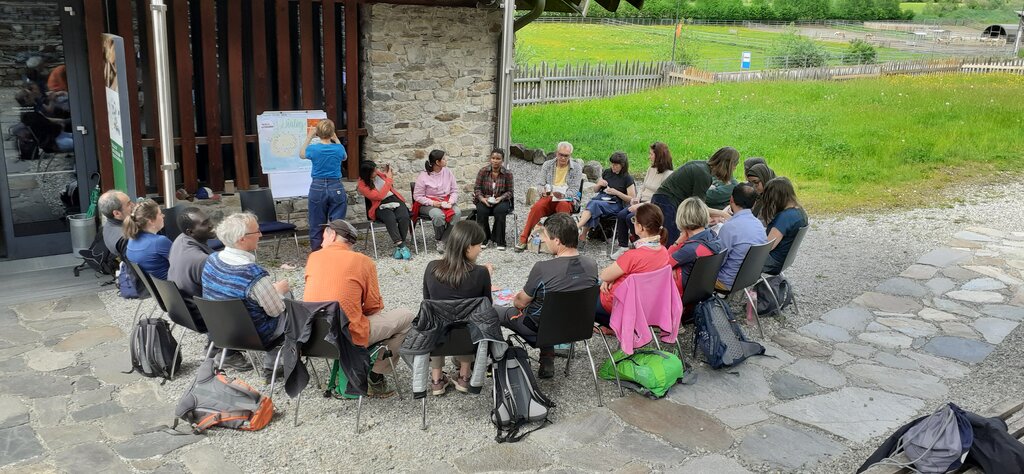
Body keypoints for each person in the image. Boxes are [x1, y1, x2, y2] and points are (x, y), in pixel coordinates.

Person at [303, 219, 414, 398]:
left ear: (332, 235)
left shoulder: (313, 258)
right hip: (348, 337)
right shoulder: (362, 261)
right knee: (407, 317)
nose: (321, 237)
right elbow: (373, 307)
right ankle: (375, 376)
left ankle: (353, 372)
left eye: (324, 233)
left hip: (313, 338)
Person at [497, 213, 599, 378]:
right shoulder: (592, 265)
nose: (544, 240)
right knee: (552, 309)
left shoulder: (542, 268)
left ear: (557, 241)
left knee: (493, 312)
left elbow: (520, 304)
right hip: (578, 327)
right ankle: (547, 359)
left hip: (540, 330)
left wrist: (515, 298)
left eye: (546, 236)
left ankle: (496, 359)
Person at [201, 213, 291, 381]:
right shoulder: (253, 274)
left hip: (221, 330)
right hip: (254, 336)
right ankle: (274, 365)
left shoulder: (211, 260)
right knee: (289, 302)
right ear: (241, 239)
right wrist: (278, 291)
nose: (261, 234)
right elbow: (276, 311)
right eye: (256, 231)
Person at [422, 221, 493, 395]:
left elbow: (427, 301)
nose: (481, 249)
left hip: (437, 338)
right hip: (467, 338)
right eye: (479, 245)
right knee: (472, 320)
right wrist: (486, 276)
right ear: (468, 247)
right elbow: (486, 307)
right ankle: (464, 376)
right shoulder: (481, 273)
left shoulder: (432, 267)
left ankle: (437, 379)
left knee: (435, 318)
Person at [594, 203, 669, 327]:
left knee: (585, 293)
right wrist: (611, 278)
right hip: (647, 306)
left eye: (634, 220)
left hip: (618, 307)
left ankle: (613, 326)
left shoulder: (633, 256)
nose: (632, 222)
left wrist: (609, 279)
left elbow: (604, 275)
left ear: (640, 227)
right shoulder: (663, 252)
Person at [651, 146, 740, 244]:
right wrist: (723, 214)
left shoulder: (702, 167)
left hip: (663, 200)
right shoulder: (704, 175)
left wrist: (714, 215)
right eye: (734, 166)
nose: (734, 170)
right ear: (728, 165)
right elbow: (698, 208)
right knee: (670, 241)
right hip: (666, 202)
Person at [514, 141, 584, 252]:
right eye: (561, 155)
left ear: (570, 155)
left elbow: (575, 189)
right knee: (537, 207)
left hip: (567, 198)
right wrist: (543, 191)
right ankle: (524, 238)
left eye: (566, 156)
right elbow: (540, 184)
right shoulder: (548, 165)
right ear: (557, 153)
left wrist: (563, 194)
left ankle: (563, 242)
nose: (563, 158)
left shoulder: (576, 168)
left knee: (563, 207)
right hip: (549, 196)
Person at [611, 142, 673, 259]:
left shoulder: (668, 175)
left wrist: (640, 205)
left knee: (631, 218)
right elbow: (643, 187)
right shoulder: (651, 169)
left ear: (658, 156)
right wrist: (636, 198)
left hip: (652, 205)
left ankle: (639, 244)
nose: (649, 157)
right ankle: (623, 246)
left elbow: (659, 198)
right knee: (621, 215)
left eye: (651, 154)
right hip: (641, 201)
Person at [300, 118, 347, 251]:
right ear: (332, 132)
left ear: (318, 133)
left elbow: (302, 154)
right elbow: (344, 156)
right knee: (337, 223)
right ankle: (336, 250)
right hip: (335, 185)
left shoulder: (313, 149)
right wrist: (336, 138)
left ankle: (317, 253)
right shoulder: (338, 148)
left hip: (317, 185)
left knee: (316, 222)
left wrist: (309, 137)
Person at [667, 198, 724, 299]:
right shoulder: (713, 237)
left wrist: (677, 242)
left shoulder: (690, 249)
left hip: (679, 296)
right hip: (700, 292)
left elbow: (663, 263)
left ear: (682, 218)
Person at [167, 208, 215, 325]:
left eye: (208, 220)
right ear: (190, 232)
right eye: (204, 223)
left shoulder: (179, 239)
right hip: (202, 315)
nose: (211, 225)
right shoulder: (202, 260)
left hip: (182, 309)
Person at [356, 160, 412, 260]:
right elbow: (379, 196)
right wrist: (389, 180)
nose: (376, 171)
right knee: (390, 217)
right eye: (373, 171)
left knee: (404, 216)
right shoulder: (362, 185)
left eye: (375, 169)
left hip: (394, 199)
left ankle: (400, 246)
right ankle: (401, 245)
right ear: (367, 174)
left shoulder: (377, 173)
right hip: (379, 204)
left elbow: (386, 178)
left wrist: (388, 171)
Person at [715, 184, 767, 290]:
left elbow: (717, 262)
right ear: (754, 204)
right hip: (749, 278)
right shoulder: (759, 225)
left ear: (731, 200)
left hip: (725, 282)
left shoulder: (729, 228)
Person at [577, 151, 635, 243]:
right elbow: (595, 190)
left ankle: (577, 228)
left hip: (616, 204)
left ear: (622, 165)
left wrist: (617, 192)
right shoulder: (607, 172)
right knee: (594, 205)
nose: (613, 167)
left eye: (616, 165)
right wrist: (599, 184)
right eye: (612, 164)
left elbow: (632, 198)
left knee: (593, 204)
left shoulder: (627, 178)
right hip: (602, 199)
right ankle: (582, 235)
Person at [414, 149, 460, 253]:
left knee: (457, 213)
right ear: (437, 162)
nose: (446, 160)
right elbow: (417, 196)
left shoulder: (448, 172)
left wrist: (451, 202)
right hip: (428, 204)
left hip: (447, 200)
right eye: (443, 158)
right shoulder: (423, 176)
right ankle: (440, 240)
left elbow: (454, 190)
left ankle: (443, 240)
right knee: (438, 215)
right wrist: (433, 203)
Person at [758, 177, 808, 274]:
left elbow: (767, 246)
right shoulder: (800, 212)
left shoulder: (785, 217)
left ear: (776, 197)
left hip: (772, 262)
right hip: (784, 260)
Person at [709, 162, 776, 225]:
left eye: (756, 182)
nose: (754, 186)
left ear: (764, 179)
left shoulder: (772, 200)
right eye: (751, 183)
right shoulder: (757, 195)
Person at [473, 148, 514, 250]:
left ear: (502, 160)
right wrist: (482, 199)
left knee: (500, 211)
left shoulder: (507, 174)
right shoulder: (483, 171)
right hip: (485, 198)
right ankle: (484, 238)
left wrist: (500, 198)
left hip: (501, 199)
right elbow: (477, 189)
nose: (495, 161)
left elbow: (510, 191)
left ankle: (499, 240)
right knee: (482, 211)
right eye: (493, 158)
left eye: (498, 158)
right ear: (490, 159)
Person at [124, 199, 172, 279]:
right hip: (173, 288)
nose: (163, 216)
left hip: (156, 288)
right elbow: (182, 263)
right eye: (160, 214)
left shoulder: (131, 239)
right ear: (151, 221)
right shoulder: (159, 241)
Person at [97, 190, 133, 256]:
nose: (133, 205)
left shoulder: (108, 225)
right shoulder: (125, 239)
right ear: (117, 213)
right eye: (128, 204)